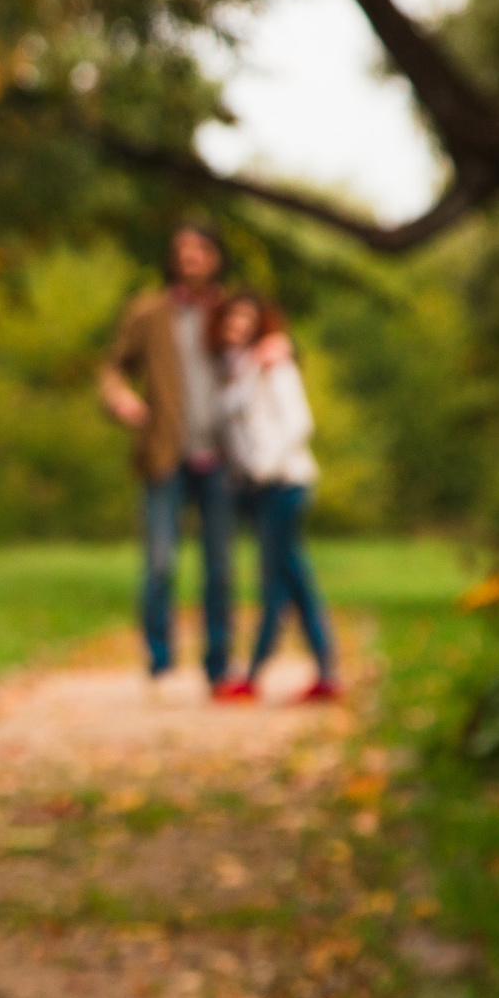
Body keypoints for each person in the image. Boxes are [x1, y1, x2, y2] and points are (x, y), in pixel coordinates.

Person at [98, 221, 241, 696]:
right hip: (164, 452)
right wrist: (120, 399)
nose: (190, 258)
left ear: (216, 257)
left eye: (200, 249)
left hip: (221, 456)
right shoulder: (149, 312)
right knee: (160, 560)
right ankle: (159, 660)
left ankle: (218, 665)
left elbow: (266, 350)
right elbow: (112, 368)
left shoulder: (230, 312)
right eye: (182, 250)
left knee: (219, 567)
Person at [215, 291, 340, 701]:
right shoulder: (237, 370)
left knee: (274, 582)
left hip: (283, 484)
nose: (238, 328)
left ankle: (253, 674)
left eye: (247, 320)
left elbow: (299, 424)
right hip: (257, 488)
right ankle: (326, 671)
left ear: (260, 324)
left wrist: (264, 468)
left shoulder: (274, 365)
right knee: (295, 580)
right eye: (232, 319)